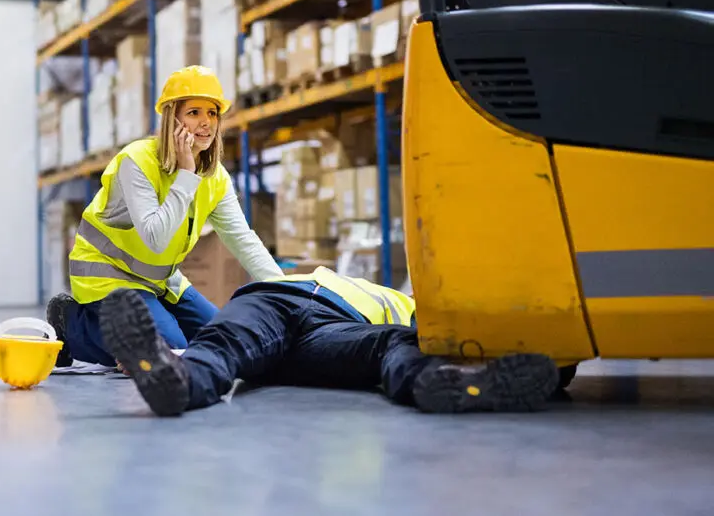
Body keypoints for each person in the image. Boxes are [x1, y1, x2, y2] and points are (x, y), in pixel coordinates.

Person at [47, 65, 284, 368]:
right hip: (107, 276)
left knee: (224, 340)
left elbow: (242, 239)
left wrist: (285, 291)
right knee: (168, 351)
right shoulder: (137, 161)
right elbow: (156, 239)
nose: (205, 123)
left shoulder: (216, 177)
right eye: (194, 112)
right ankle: (71, 325)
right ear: (173, 117)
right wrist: (186, 174)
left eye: (212, 113)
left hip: (159, 281)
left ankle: (142, 329)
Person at [95, 267, 561, 416]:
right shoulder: (380, 293)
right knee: (223, 341)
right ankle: (173, 377)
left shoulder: (422, 314)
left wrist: (556, 363)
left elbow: (482, 334)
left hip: (331, 332)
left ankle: (451, 381)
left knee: (398, 345)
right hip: (277, 298)